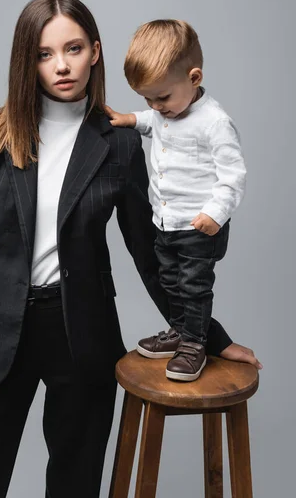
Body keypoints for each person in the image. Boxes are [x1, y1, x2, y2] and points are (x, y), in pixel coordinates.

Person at [0, 0, 261, 498]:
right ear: (28, 60)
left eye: (74, 48)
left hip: (81, 334)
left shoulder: (121, 143)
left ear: (96, 52)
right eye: (45, 53)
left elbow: (152, 255)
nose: (61, 65)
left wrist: (210, 336)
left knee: (75, 483)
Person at [105, 19, 250, 382]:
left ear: (194, 77)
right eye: (147, 99)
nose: (156, 106)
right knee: (169, 282)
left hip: (198, 226)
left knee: (194, 287)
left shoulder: (214, 122)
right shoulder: (164, 110)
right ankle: (181, 332)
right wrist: (130, 118)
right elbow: (153, 122)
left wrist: (214, 215)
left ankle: (195, 344)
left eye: (163, 97)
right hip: (166, 222)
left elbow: (233, 176)